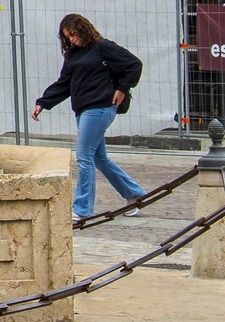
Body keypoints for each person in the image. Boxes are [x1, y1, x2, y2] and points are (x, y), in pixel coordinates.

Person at [32, 12, 146, 221]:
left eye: (73, 34)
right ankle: (134, 194)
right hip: (84, 110)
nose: (71, 39)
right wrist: (43, 102)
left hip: (101, 107)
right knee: (98, 158)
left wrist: (122, 88)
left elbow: (134, 64)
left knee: (84, 156)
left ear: (83, 29)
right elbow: (64, 83)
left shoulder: (103, 47)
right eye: (67, 37)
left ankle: (83, 209)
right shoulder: (72, 55)